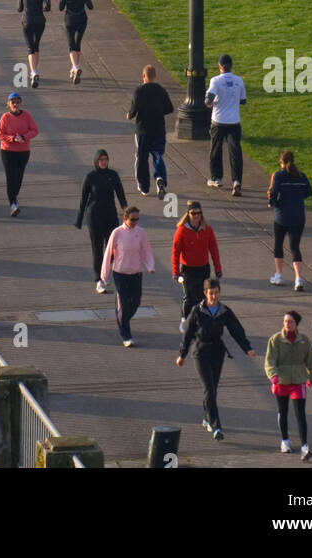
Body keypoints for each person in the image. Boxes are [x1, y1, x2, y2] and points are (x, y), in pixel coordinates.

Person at [176, 279, 256, 439]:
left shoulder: (224, 311)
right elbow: (188, 334)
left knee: (213, 388)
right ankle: (216, 426)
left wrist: (247, 348)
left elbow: (236, 330)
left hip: (217, 352)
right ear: (205, 293)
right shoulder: (197, 311)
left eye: (216, 293)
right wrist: (182, 354)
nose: (214, 296)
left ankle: (207, 417)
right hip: (200, 352)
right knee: (209, 389)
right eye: (211, 293)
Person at [101, 206, 155, 347]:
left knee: (135, 302)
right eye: (132, 219)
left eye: (137, 219)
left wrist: (150, 266)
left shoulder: (141, 233)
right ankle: (126, 335)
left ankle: (122, 318)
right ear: (125, 218)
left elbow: (146, 251)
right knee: (124, 303)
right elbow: (108, 254)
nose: (135, 222)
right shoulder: (117, 233)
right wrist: (104, 275)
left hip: (136, 273)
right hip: (120, 273)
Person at [265, 310, 312, 458]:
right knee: (283, 411)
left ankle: (305, 446)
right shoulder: (275, 340)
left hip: (298, 382)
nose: (287, 324)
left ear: (296, 324)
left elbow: (309, 361)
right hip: (281, 381)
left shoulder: (304, 340)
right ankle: (285, 441)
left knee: (300, 414)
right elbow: (269, 361)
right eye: (285, 321)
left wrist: (310, 377)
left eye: (290, 321)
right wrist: (273, 375)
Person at [75, 150, 127, 293]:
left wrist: (126, 212)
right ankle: (99, 279)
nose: (104, 162)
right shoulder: (90, 177)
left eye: (106, 159)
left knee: (112, 248)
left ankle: (106, 272)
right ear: (96, 161)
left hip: (110, 215)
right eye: (101, 159)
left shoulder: (113, 175)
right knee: (97, 248)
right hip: (94, 217)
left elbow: (121, 194)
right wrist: (79, 219)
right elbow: (83, 200)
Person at [171, 200, 223, 329]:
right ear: (188, 214)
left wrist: (218, 269)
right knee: (189, 296)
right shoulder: (181, 230)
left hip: (203, 268)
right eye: (193, 213)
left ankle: (200, 320)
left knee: (202, 296)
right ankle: (185, 320)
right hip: (187, 269)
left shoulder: (207, 229)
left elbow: (214, 250)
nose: (196, 216)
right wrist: (175, 272)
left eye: (198, 213)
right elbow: (175, 252)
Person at [267, 149, 312, 291]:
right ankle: (298, 278)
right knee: (295, 247)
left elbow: (273, 193)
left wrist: (272, 202)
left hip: (281, 216)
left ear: (281, 162)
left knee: (278, 244)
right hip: (298, 217)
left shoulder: (278, 176)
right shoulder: (301, 176)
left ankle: (279, 275)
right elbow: (309, 192)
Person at [127, 64, 174, 198]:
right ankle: (160, 178)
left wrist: (129, 115)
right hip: (159, 128)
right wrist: (159, 111)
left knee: (141, 158)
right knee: (158, 155)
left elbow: (133, 110)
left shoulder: (139, 91)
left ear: (143, 76)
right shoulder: (161, 90)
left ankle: (144, 186)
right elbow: (170, 108)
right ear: (155, 76)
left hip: (143, 129)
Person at [206, 54, 247, 196]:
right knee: (235, 153)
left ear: (220, 66)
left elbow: (208, 99)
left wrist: (211, 103)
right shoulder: (239, 80)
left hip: (218, 120)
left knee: (215, 150)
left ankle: (216, 178)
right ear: (231, 65)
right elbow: (243, 100)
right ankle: (237, 181)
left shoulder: (215, 81)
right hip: (234, 121)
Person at [0, 93, 38, 216]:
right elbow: (0, 135)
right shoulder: (5, 117)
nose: (15, 104)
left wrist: (24, 137)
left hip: (23, 152)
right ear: (8, 104)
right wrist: (13, 138)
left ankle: (14, 196)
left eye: (17, 102)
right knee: (11, 178)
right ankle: (13, 204)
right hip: (8, 151)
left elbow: (35, 130)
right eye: (13, 102)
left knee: (19, 178)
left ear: (21, 103)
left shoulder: (27, 116)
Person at [59, 0, 93, 82]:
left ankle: (75, 67)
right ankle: (74, 68)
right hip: (82, 19)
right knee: (78, 43)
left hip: (70, 19)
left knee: (71, 44)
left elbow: (60, 7)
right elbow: (90, 6)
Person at [18, 0, 50, 87]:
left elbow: (19, 8)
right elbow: (48, 6)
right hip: (40, 21)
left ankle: (33, 72)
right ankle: (35, 70)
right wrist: (44, 8)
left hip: (27, 21)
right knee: (36, 45)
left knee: (30, 47)